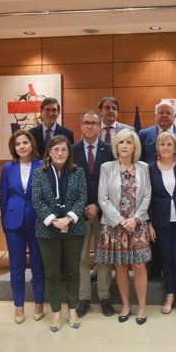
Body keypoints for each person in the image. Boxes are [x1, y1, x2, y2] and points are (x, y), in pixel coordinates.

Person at [32, 135, 87, 332]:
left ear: (69, 152)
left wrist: (68, 219)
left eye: (64, 149)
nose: (60, 153)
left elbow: (82, 197)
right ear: (49, 152)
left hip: (74, 228)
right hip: (47, 230)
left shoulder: (78, 172)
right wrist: (54, 221)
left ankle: (72, 310)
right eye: (56, 149)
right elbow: (37, 200)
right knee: (52, 273)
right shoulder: (40, 173)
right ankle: (56, 312)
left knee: (73, 271)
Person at [97, 129, 152, 325]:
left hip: (137, 225)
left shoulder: (144, 167)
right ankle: (126, 305)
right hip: (114, 225)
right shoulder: (107, 168)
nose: (125, 146)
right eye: (121, 142)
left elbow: (147, 196)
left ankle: (142, 307)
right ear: (116, 146)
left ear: (135, 146)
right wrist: (120, 221)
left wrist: (135, 219)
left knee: (139, 266)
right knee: (120, 266)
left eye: (129, 142)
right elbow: (102, 198)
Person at [138, 100, 176, 280]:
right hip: (157, 203)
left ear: (174, 115)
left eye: (168, 112)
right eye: (161, 112)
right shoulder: (144, 134)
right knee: (161, 250)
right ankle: (158, 274)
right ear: (155, 114)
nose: (165, 115)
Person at [72, 111, 115, 318]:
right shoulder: (72, 150)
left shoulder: (109, 150)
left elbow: (112, 184)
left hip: (103, 211)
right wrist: (83, 207)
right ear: (80, 126)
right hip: (79, 214)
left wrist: (97, 205)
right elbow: (70, 183)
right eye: (86, 123)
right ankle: (84, 299)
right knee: (81, 258)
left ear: (100, 126)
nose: (90, 126)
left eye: (94, 123)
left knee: (103, 257)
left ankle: (105, 297)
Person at [0, 129, 45, 324]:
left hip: (36, 221)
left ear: (32, 145)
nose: (22, 146)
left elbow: (45, 194)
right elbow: (4, 196)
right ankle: (18, 305)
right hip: (14, 222)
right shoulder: (8, 168)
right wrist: (5, 221)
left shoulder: (42, 165)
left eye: (25, 142)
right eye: (18, 144)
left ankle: (39, 303)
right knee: (16, 266)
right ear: (14, 148)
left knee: (38, 265)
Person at [148, 132, 176, 316]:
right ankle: (170, 295)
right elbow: (147, 197)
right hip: (160, 221)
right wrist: (149, 223)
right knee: (166, 257)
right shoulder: (150, 168)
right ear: (157, 147)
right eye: (162, 144)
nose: (165, 147)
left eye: (169, 144)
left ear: (175, 147)